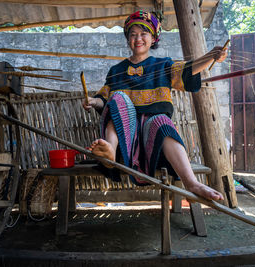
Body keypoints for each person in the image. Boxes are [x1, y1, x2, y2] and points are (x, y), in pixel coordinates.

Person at [82, 11, 226, 201]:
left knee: (161, 121)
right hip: (126, 143)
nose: (138, 38)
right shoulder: (116, 71)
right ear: (128, 39)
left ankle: (192, 183)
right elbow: (104, 98)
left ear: (153, 38)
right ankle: (110, 151)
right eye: (133, 34)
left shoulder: (163, 65)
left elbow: (188, 70)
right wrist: (93, 101)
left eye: (143, 34)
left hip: (154, 145)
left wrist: (210, 57)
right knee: (116, 98)